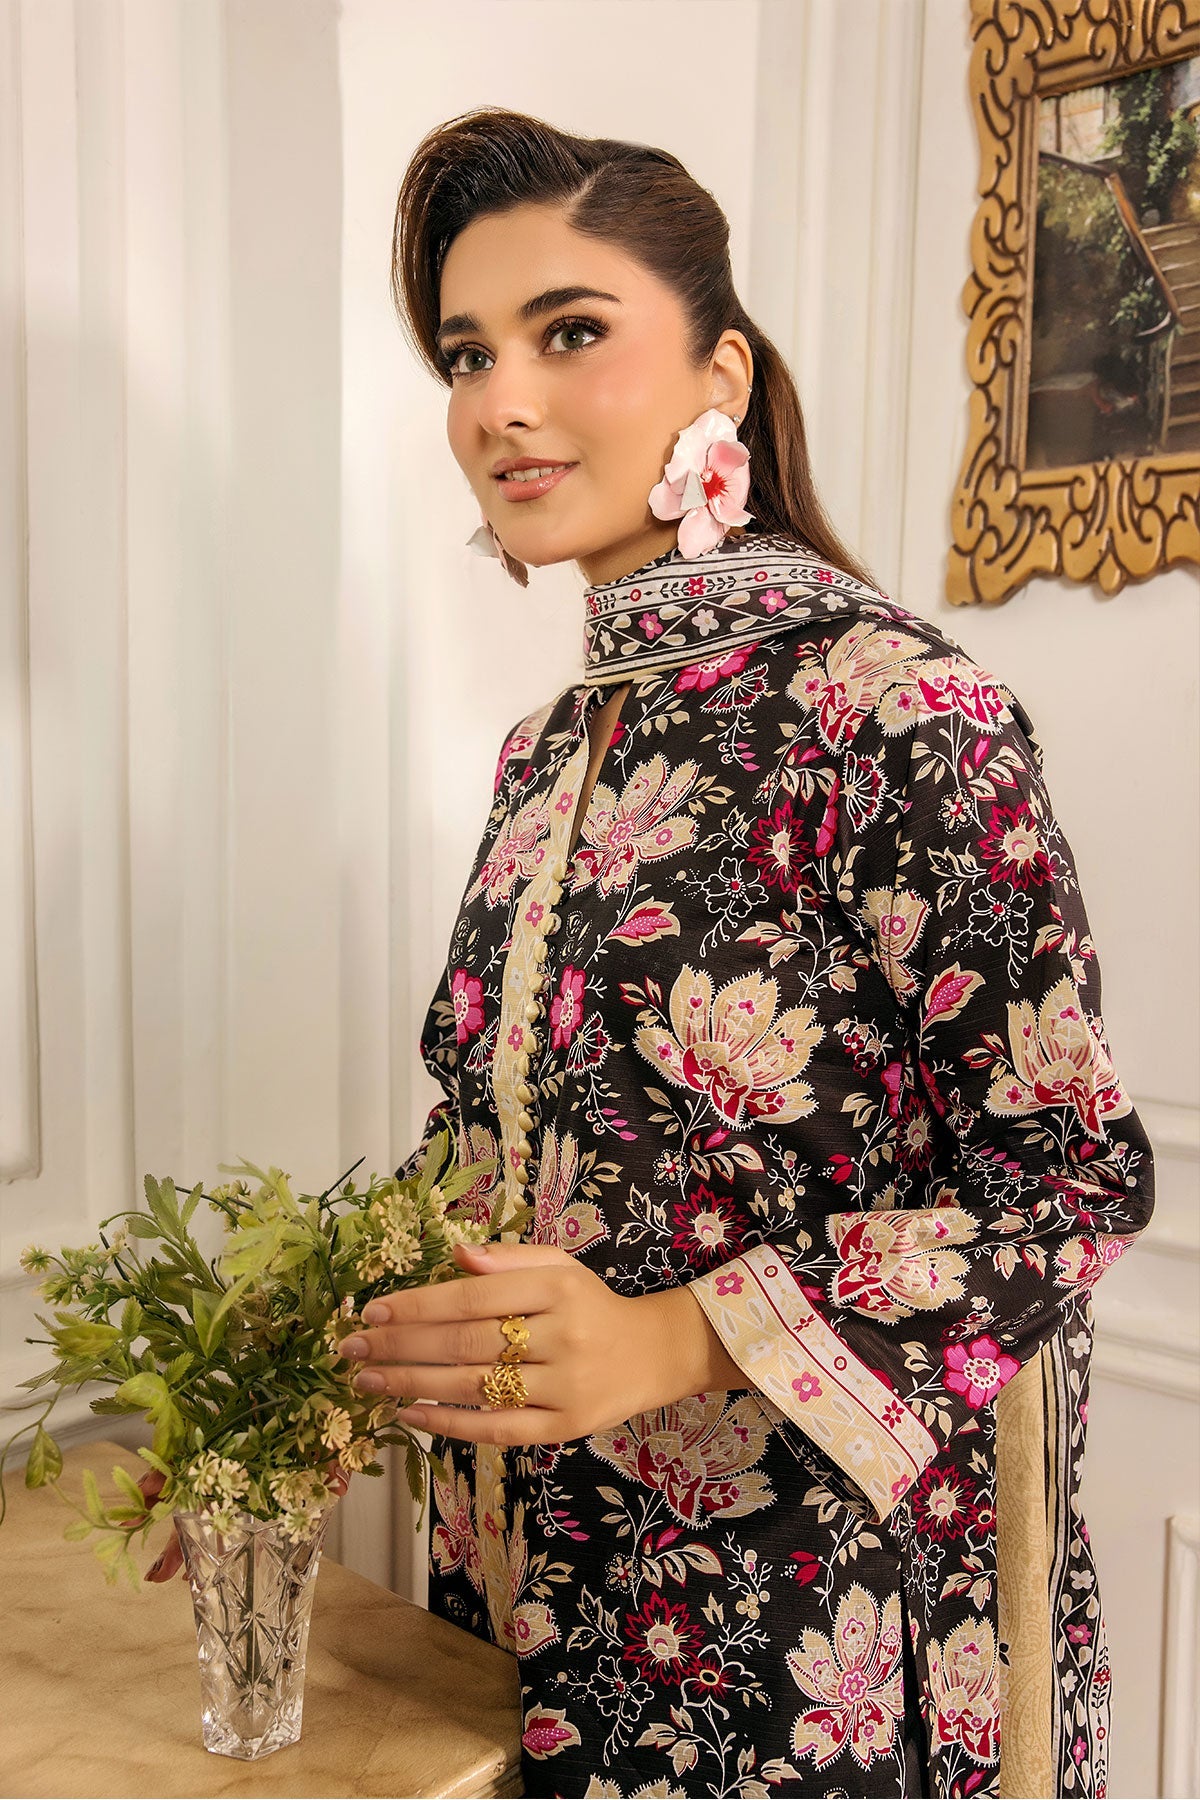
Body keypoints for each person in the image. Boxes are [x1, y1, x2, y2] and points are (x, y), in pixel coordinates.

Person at [150, 106, 1155, 1800]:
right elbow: (488, 1155)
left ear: (722, 373)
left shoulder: (897, 709)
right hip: (529, 1600)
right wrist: (267, 1406)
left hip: (802, 1635)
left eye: (570, 332)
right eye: (468, 354)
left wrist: (674, 1337)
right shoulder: (550, 750)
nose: (500, 401)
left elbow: (1068, 1186)